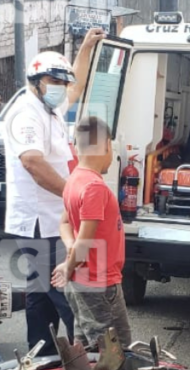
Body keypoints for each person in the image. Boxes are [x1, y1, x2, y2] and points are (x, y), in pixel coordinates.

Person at [2, 29, 106, 355]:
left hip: (51, 219)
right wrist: (73, 195)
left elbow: (77, 87)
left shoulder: (50, 109)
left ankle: (41, 360)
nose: (61, 89)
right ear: (36, 81)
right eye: (54, 82)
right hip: (40, 222)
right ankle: (90, 361)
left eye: (62, 83)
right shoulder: (26, 113)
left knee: (40, 293)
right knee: (69, 294)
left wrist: (87, 47)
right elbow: (32, 162)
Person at [51, 116, 132, 348]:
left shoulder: (73, 180)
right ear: (106, 145)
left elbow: (65, 224)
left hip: (82, 280)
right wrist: (69, 264)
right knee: (116, 351)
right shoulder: (95, 188)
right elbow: (85, 243)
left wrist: (71, 254)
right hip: (99, 282)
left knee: (84, 347)